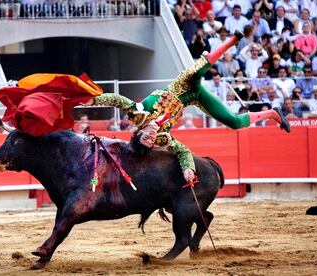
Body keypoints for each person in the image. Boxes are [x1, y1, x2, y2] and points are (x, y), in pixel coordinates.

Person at [84, 31, 290, 183]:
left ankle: (232, 41)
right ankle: (272, 113)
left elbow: (118, 100)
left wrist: (94, 100)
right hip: (193, 98)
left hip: (180, 85)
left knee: (196, 71)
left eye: (147, 137)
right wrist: (188, 171)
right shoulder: (163, 137)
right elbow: (183, 152)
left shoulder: (139, 115)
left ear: (139, 133)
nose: (152, 137)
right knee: (235, 122)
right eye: (152, 142)